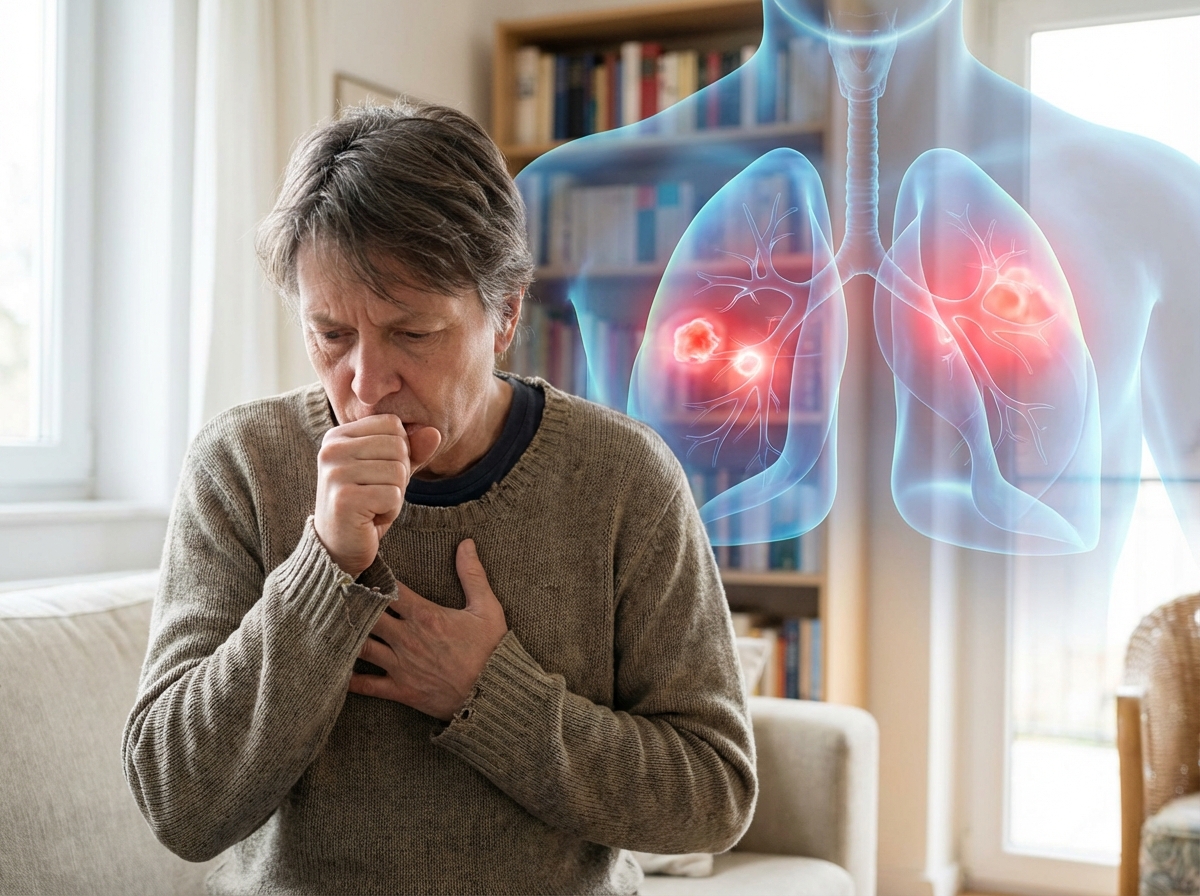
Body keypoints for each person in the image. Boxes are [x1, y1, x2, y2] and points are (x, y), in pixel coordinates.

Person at [121, 101, 757, 895]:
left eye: (413, 333)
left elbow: (711, 796)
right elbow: (181, 808)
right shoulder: (242, 465)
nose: (366, 382)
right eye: (331, 334)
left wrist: (489, 696)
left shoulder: (624, 479)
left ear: (505, 313)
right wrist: (325, 565)